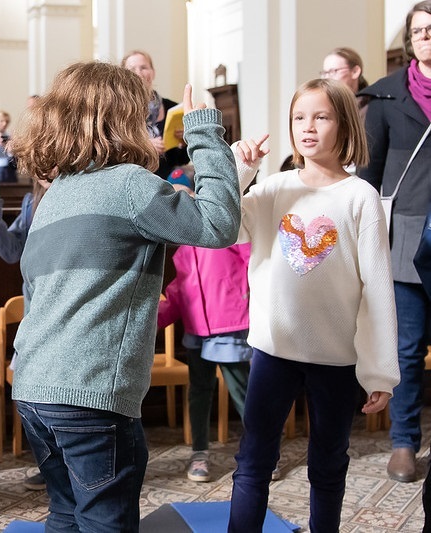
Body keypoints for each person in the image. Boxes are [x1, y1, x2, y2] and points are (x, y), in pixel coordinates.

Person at [9, 61, 241, 532]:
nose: (151, 126)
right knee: (104, 523)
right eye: (145, 115)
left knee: (66, 515)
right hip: (89, 394)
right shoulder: (130, 186)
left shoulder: (54, 195)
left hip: (33, 388)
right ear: (123, 120)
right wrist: (203, 132)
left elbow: (36, 290)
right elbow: (219, 224)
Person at [228, 78, 400, 532]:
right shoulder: (272, 190)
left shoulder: (360, 196)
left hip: (335, 358)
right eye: (299, 117)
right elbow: (226, 228)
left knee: (327, 464)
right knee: (253, 460)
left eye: (321, 117)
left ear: (343, 126)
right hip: (272, 352)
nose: (308, 127)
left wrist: (380, 369)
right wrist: (241, 171)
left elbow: (378, 288)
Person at [358, 0, 431, 485]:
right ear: (410, 40)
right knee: (406, 349)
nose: (427, 36)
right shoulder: (384, 96)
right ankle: (404, 443)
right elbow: (369, 173)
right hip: (403, 235)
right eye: (419, 30)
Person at [157, 176, 251, 484]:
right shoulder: (183, 248)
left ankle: (262, 451)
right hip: (197, 330)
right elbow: (179, 290)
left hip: (229, 325)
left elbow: (253, 263)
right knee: (199, 393)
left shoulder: (226, 231)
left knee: (242, 392)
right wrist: (149, 320)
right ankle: (199, 452)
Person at [0, 178, 49, 491]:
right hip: (34, 318)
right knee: (25, 392)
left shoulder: (83, 192)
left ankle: (63, 466)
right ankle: (50, 464)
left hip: (62, 317)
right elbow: (10, 251)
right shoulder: (30, 201)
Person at [122, 49, 190, 179]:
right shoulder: (119, 111)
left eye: (144, 67)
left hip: (169, 178)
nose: (138, 73)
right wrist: (144, 146)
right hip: (134, 178)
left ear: (153, 72)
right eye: (132, 68)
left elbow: (181, 160)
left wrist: (184, 142)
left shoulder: (173, 108)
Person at [320, 47, 369, 118]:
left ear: (355, 72)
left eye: (333, 71)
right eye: (325, 73)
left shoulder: (370, 108)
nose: (326, 78)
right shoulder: (322, 106)